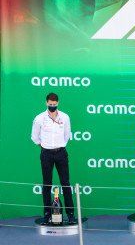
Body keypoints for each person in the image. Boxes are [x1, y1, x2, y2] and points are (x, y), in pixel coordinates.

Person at [31, 93, 75, 224]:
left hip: (61, 153)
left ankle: (71, 215)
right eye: (50, 104)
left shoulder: (65, 117)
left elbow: (67, 135)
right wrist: (45, 147)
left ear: (58, 103)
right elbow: (35, 137)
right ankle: (47, 215)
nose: (52, 106)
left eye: (54, 104)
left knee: (65, 183)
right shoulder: (39, 118)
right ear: (46, 103)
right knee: (46, 184)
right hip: (46, 153)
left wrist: (59, 146)